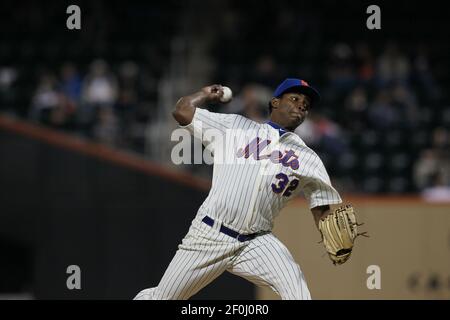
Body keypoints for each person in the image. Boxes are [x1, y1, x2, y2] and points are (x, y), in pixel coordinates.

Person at [134, 78, 343, 300]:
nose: (301, 105)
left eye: (306, 104)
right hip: (210, 234)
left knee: (297, 290)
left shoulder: (308, 158)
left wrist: (331, 234)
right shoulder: (235, 127)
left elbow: (321, 204)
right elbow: (182, 111)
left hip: (256, 241)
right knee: (163, 298)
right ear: (274, 102)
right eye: (294, 98)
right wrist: (204, 93)